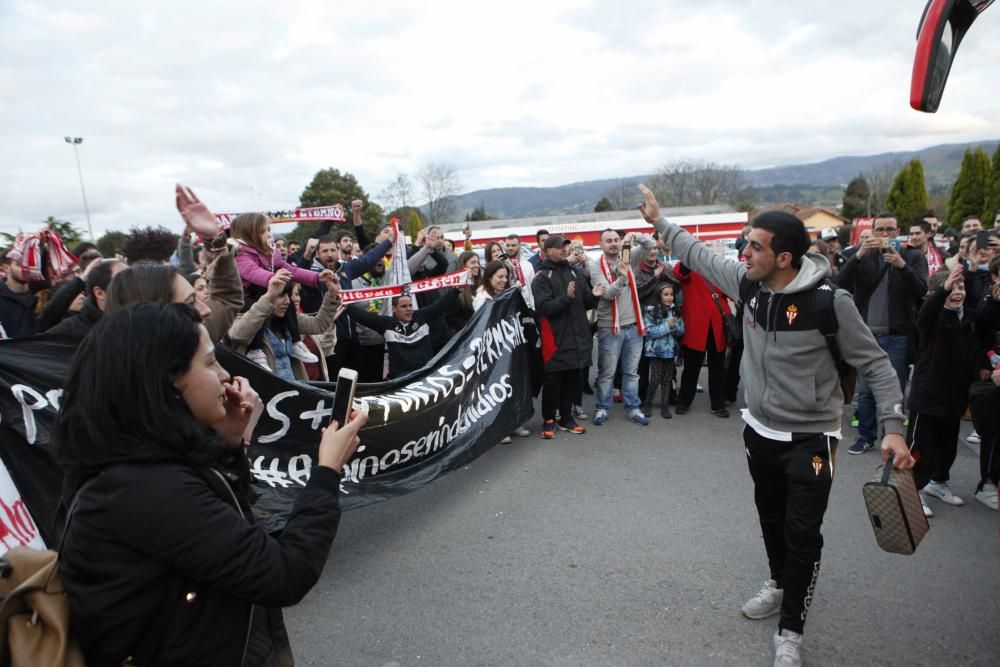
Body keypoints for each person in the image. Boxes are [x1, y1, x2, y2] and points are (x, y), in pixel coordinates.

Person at [638, 185, 913, 667]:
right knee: (771, 519)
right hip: (758, 430)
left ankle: (791, 629)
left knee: (802, 533)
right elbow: (698, 255)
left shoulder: (831, 302)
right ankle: (779, 582)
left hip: (814, 436)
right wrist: (661, 222)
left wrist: (892, 425)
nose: (743, 253)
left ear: (784, 256)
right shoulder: (747, 281)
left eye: (755, 246)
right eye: (745, 244)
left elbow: (877, 364)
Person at [56, 301, 366, 665]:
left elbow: (230, 533)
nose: (225, 374)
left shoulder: (155, 463)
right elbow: (285, 573)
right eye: (209, 363)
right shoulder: (143, 487)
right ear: (167, 381)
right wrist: (327, 470)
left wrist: (231, 444)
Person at [835, 212, 927, 454]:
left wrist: (902, 266)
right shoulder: (862, 256)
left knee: (893, 389)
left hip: (898, 334)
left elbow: (921, 290)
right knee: (865, 390)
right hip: (867, 335)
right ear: (873, 231)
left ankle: (892, 437)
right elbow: (839, 285)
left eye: (890, 230)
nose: (885, 235)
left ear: (898, 231)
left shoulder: (912, 256)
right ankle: (866, 435)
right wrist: (858, 255)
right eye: (881, 230)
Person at [906, 266, 977, 516]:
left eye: (961, 287)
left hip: (954, 396)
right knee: (919, 446)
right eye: (951, 287)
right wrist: (942, 289)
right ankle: (913, 490)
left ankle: (938, 482)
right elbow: (925, 313)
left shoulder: (968, 318)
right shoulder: (932, 318)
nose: (957, 292)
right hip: (928, 395)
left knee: (947, 446)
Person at [532, 235, 606, 439]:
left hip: (579, 335)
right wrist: (566, 299)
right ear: (547, 251)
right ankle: (549, 419)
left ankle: (566, 418)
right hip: (555, 339)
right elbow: (543, 308)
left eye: (566, 246)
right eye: (558, 247)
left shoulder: (575, 271)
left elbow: (585, 301)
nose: (564, 250)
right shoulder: (541, 276)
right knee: (553, 382)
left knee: (572, 381)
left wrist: (595, 295)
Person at [227, 269, 343, 381]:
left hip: (293, 391)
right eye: (280, 295)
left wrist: (332, 294)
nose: (287, 301)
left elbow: (317, 324)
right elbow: (238, 335)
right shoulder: (244, 318)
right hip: (263, 396)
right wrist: (269, 297)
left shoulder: (287, 319)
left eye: (288, 295)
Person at [589, 229, 649, 426]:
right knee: (607, 373)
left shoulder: (628, 257)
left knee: (632, 373)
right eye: (609, 241)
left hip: (634, 326)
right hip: (610, 327)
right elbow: (607, 294)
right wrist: (622, 278)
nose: (613, 244)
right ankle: (602, 408)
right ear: (601, 244)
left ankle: (633, 407)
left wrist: (634, 236)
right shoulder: (596, 266)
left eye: (616, 240)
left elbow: (650, 245)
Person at [472, 260, 531, 441]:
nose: (503, 280)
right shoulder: (482, 297)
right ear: (489, 277)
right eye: (499, 277)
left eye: (506, 277)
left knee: (512, 384)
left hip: (509, 346)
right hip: (491, 349)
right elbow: (484, 322)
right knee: (497, 388)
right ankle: (498, 428)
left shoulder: (506, 293)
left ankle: (514, 423)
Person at [346, 289, 460, 380]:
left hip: (425, 373)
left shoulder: (422, 317)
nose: (409, 309)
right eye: (404, 306)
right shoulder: (386, 324)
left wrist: (456, 290)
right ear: (394, 309)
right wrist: (345, 304)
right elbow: (363, 316)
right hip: (400, 377)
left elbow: (441, 304)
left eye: (410, 305)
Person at [672, 255, 733, 418]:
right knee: (691, 367)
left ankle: (718, 404)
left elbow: (734, 292)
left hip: (718, 323)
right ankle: (684, 401)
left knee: (717, 368)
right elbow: (678, 274)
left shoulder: (719, 270)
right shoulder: (689, 266)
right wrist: (689, 256)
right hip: (697, 323)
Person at [46, 258, 126, 340]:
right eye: (123, 281)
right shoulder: (71, 330)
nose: (132, 285)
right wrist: (80, 280)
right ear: (99, 293)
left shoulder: (134, 321)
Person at [641, 282, 684, 419]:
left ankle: (664, 405)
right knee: (654, 379)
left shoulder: (675, 311)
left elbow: (681, 330)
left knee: (667, 380)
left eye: (671, 294)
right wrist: (667, 325)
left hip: (670, 351)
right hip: (655, 351)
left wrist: (673, 327)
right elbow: (650, 332)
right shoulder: (651, 311)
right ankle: (648, 403)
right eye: (665, 294)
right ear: (659, 296)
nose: (669, 297)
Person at [0, 248, 38, 339]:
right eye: (20, 264)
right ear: (6, 268)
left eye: (29, 264)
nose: (26, 269)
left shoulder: (41, 295)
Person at [503, 234, 536, 309]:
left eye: (513, 245)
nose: (510, 248)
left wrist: (534, 308)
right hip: (510, 308)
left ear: (519, 246)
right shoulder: (502, 265)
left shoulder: (528, 265)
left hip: (528, 307)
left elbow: (533, 289)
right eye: (507, 245)